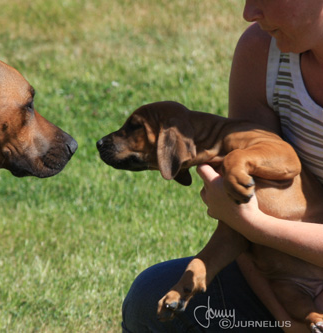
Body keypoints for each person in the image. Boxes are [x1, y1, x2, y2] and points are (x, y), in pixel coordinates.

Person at [122, 1, 323, 332]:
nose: (249, 12)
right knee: (149, 298)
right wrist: (289, 319)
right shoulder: (262, 52)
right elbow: (242, 213)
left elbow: (245, 220)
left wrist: (254, 225)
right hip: (287, 280)